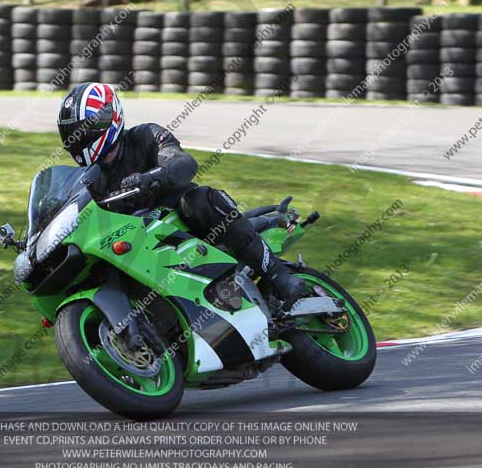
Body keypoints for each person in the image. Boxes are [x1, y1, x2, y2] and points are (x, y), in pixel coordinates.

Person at [57, 82, 305, 311]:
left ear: (106, 120)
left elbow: (183, 162)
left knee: (198, 199)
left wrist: (151, 178)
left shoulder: (145, 136)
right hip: (141, 242)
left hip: (187, 222)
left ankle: (279, 276)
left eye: (81, 131)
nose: (78, 140)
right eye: (72, 134)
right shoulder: (90, 178)